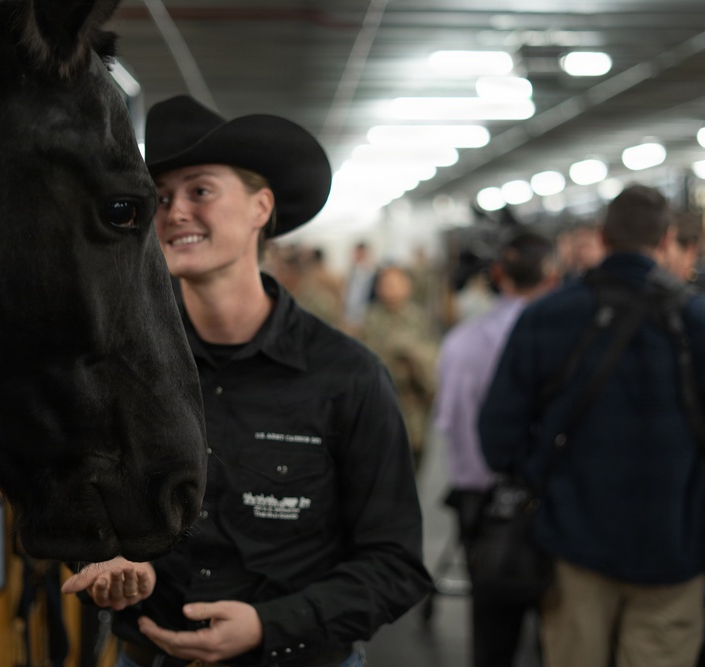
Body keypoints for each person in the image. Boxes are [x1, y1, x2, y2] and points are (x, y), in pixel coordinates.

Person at [61, 95, 432, 667]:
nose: (175, 211)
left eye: (200, 190)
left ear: (261, 207)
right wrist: (105, 558)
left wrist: (270, 626)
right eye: (159, 198)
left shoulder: (347, 377)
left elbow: (395, 564)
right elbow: (83, 506)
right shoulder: (120, 370)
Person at [478, 185, 705, 667]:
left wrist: (545, 478)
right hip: (677, 547)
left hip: (572, 543)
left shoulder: (545, 317)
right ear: (665, 240)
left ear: (602, 237)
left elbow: (497, 436)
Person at [433, 231, 558, 667]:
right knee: (558, 632)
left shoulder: (460, 342)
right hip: (551, 504)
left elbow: (447, 422)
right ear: (553, 274)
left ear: (499, 274)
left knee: (491, 633)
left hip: (481, 506)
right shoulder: (564, 339)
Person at [360, 264, 440, 473]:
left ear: (409, 286)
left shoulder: (420, 319)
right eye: (385, 283)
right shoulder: (370, 319)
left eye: (396, 283)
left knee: (413, 464)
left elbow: (434, 360)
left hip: (413, 405)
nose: (390, 288)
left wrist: (412, 356)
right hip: (380, 406)